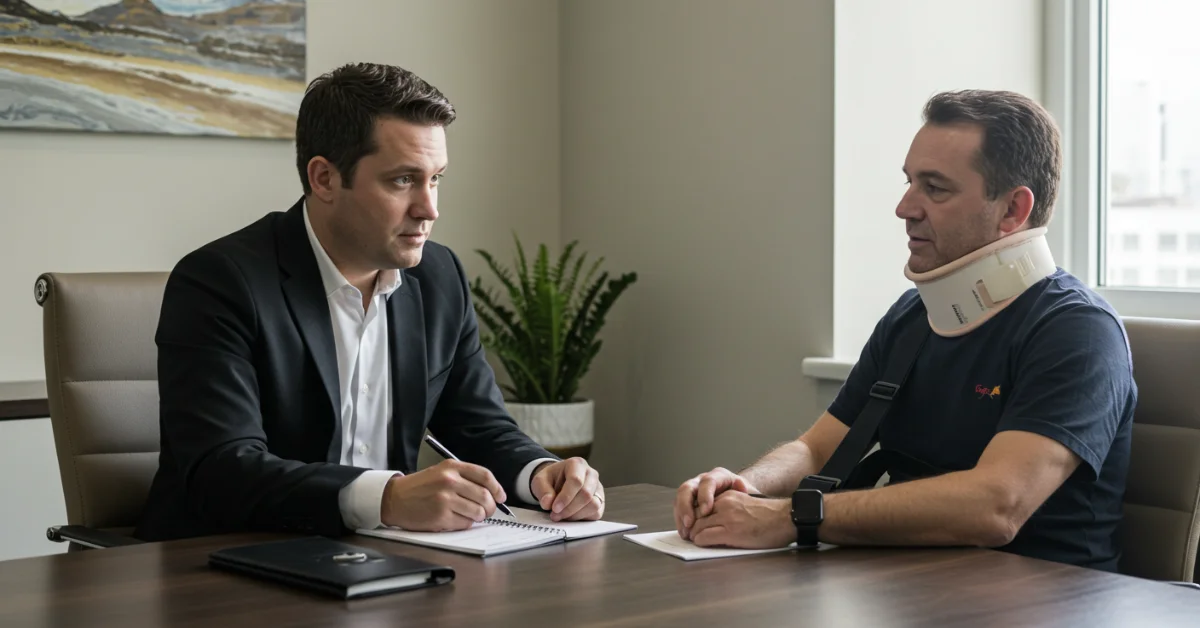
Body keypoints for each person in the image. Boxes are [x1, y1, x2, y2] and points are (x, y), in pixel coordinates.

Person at [136, 63, 604, 541]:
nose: (429, 208)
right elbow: (223, 470)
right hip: (222, 567)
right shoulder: (220, 282)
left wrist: (540, 473)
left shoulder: (439, 277)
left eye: (436, 178)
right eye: (403, 180)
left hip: (380, 567)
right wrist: (385, 498)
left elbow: (479, 426)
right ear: (324, 179)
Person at [674, 89, 1135, 572]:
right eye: (910, 182)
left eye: (934, 189)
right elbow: (816, 448)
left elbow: (996, 506)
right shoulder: (912, 318)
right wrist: (744, 487)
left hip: (1048, 601)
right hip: (912, 587)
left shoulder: (1077, 332)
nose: (904, 207)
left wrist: (793, 517)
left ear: (1013, 211)